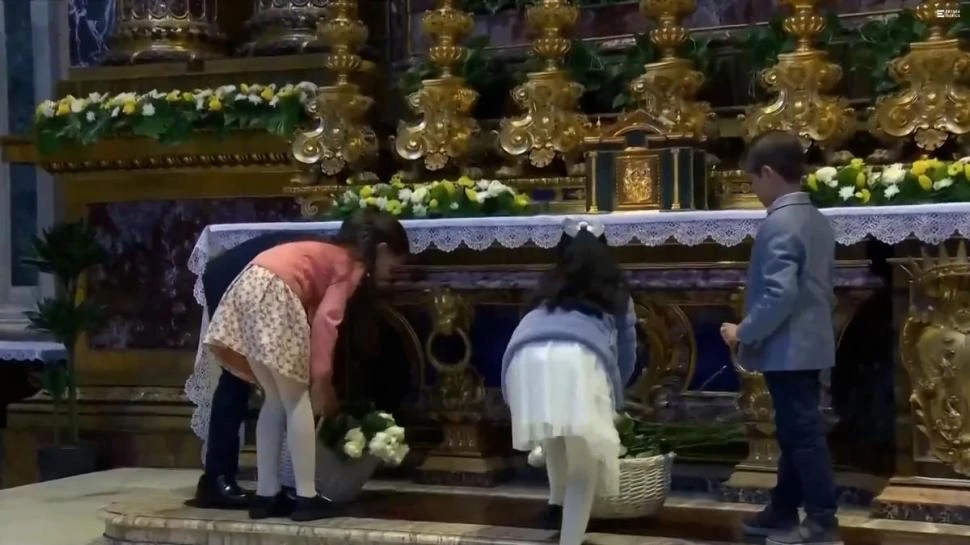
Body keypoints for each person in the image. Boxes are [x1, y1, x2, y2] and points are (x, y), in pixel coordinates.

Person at [204, 210, 410, 522]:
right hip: (274, 292)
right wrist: (322, 380)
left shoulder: (323, 254)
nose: (393, 274)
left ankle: (266, 495)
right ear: (380, 251)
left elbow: (313, 314)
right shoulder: (350, 265)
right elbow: (327, 322)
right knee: (297, 399)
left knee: (273, 401)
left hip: (245, 288)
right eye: (394, 266)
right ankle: (306, 496)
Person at [720, 131, 841, 545]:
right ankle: (784, 509)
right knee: (794, 432)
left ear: (768, 173)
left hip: (789, 349)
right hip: (810, 344)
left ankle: (823, 520)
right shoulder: (816, 217)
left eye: (753, 181)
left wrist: (742, 331)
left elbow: (779, 293)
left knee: (802, 435)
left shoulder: (780, 222)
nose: (754, 191)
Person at [501, 218, 637, 545]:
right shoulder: (615, 291)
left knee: (555, 427)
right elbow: (627, 350)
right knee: (583, 464)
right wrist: (617, 396)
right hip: (578, 359)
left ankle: (555, 500)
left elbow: (530, 331)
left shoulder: (546, 288)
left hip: (522, 358)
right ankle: (570, 540)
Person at [194, 231, 310, 509]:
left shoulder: (333, 250)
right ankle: (216, 478)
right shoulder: (343, 261)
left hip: (248, 276)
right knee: (237, 377)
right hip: (237, 276)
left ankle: (272, 483)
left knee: (270, 384)